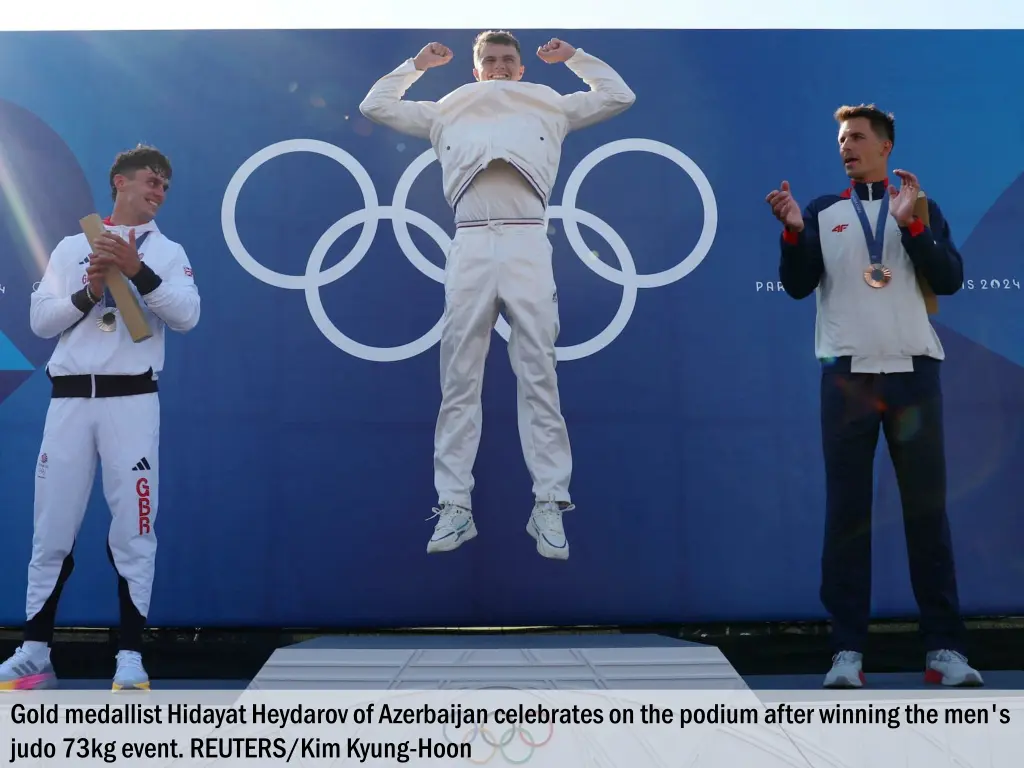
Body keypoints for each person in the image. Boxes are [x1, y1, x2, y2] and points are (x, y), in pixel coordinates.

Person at [359, 31, 635, 559]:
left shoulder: (549, 102)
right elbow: (375, 106)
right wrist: (415, 65)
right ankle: (454, 505)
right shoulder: (448, 107)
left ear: (523, 68)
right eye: (491, 60)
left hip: (528, 238)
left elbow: (619, 96)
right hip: (470, 240)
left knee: (539, 373)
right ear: (476, 69)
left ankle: (550, 503)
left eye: (509, 59)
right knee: (459, 375)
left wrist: (575, 58)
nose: (501, 66)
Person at [765, 104, 982, 689]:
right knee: (847, 517)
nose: (847, 147)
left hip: (914, 374)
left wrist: (911, 226)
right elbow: (796, 285)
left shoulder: (922, 205)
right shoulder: (822, 211)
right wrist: (791, 232)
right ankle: (847, 653)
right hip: (848, 379)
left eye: (858, 137)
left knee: (926, 514)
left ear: (885, 147)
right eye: (841, 139)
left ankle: (943, 650)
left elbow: (951, 278)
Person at [0, 145, 201, 691]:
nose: (158, 191)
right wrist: (90, 289)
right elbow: (41, 321)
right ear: (119, 182)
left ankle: (130, 656)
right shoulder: (72, 246)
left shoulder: (169, 250)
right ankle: (34, 652)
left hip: (132, 403)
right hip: (68, 402)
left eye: (165, 186)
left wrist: (138, 273)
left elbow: (186, 315)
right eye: (150, 181)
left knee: (134, 529)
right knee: (51, 528)